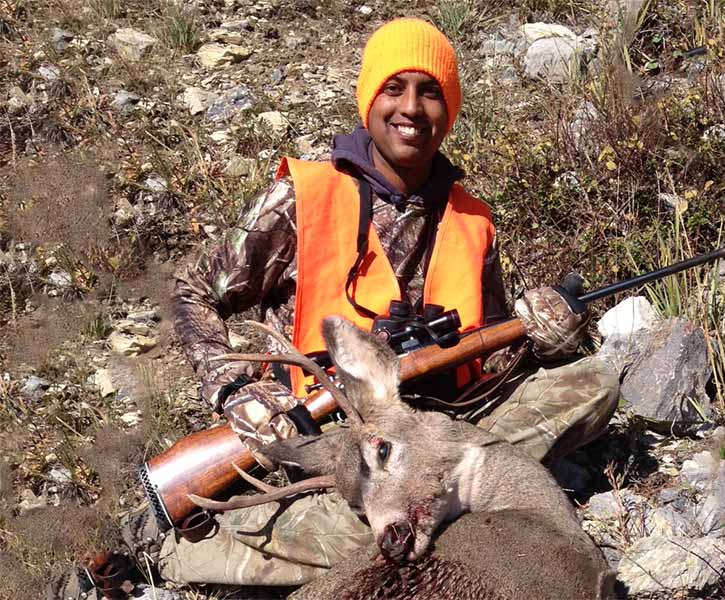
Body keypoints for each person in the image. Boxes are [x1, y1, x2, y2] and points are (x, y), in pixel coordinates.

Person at [151, 17, 619, 589]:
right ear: (368, 98)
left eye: (431, 92)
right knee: (361, 508)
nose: (412, 108)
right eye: (394, 88)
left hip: (447, 430)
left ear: (449, 110)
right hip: (334, 439)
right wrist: (235, 390)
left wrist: (545, 341)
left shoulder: (472, 219)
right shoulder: (305, 196)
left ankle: (431, 506)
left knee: (592, 381)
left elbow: (494, 359)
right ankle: (203, 552)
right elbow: (193, 289)